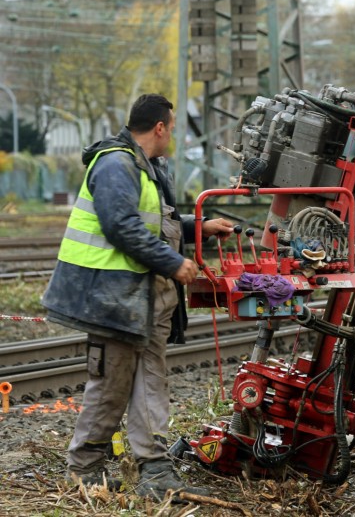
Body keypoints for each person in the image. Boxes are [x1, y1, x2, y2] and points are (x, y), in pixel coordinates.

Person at [42, 93, 234, 500]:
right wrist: (173, 263)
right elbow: (122, 227)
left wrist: (197, 227)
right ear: (159, 127)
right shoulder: (115, 163)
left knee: (151, 384)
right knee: (112, 385)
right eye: (172, 129)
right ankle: (86, 466)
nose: (173, 137)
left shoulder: (143, 166)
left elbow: (152, 223)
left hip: (144, 301)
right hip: (114, 299)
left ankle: (156, 469)